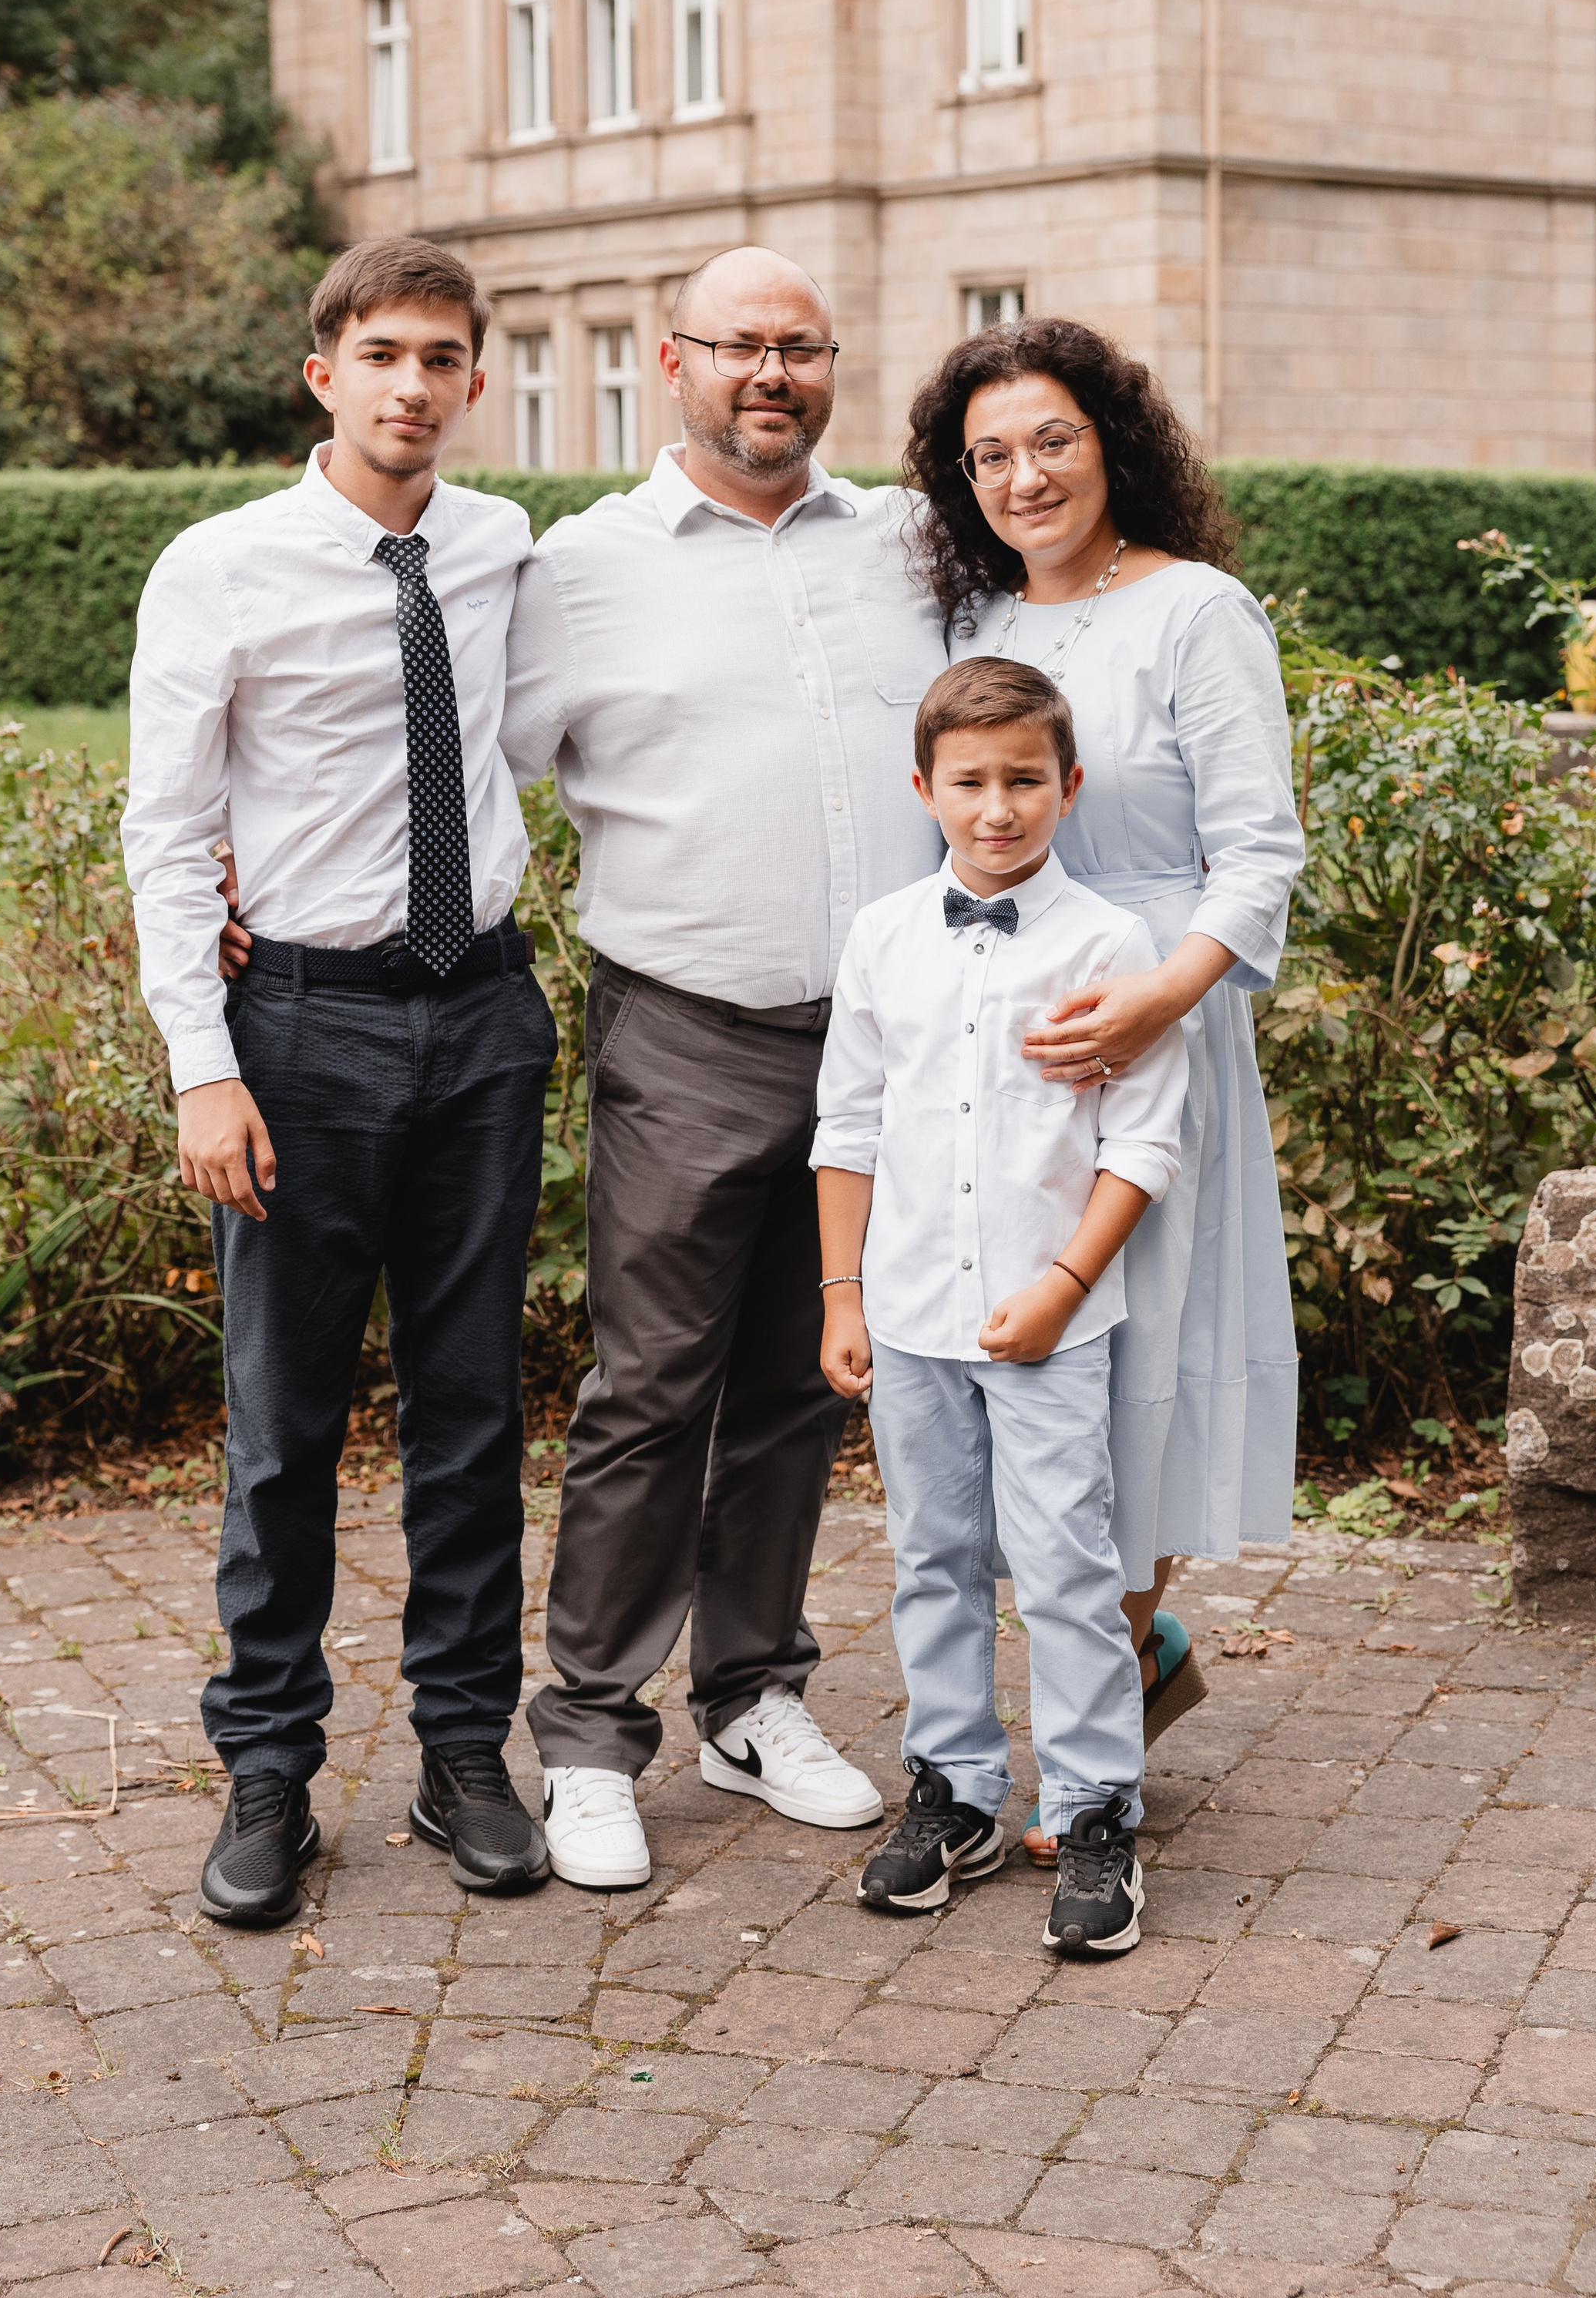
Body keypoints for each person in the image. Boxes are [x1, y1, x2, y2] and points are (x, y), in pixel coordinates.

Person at [499, 244, 949, 1890]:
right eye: (740, 346)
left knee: (791, 1385)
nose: (772, 373)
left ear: (834, 370)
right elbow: (479, 771)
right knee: (648, 1388)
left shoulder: (910, 539)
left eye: (803, 348)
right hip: (687, 1026)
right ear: (669, 360)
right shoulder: (579, 568)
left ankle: (751, 1697)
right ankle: (592, 1734)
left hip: (885, 1042)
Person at [123, 236, 559, 1928]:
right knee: (284, 1423)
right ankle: (269, 1774)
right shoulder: (220, 566)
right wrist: (202, 1070)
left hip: (481, 1019)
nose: (410, 385)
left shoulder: (504, 546)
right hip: (297, 1036)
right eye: (380, 353)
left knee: (469, 1416)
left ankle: (464, 1757)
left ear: (469, 380)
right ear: (323, 372)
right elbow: (166, 832)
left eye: (441, 358)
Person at [902, 317, 1305, 1862]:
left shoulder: (1195, 612)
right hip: (1002, 1051)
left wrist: (1155, 999)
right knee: (1014, 1363)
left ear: (1112, 443)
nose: (1022, 474)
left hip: (1156, 1027)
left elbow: (1256, 849)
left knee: (1132, 1373)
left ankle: (1114, 1699)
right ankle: (1126, 1665)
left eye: (1050, 439)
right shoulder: (971, 623)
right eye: (988, 452)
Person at [815, 656, 1187, 1955]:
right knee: (932, 1560)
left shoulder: (1112, 946)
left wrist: (1062, 1287)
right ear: (924, 789)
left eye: (1024, 780)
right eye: (969, 782)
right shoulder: (882, 936)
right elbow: (847, 1126)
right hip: (911, 1316)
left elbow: (1143, 1143)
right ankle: (957, 1788)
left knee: (1069, 1567)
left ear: (1068, 787)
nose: (997, 808)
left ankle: (1094, 1808)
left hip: (1048, 1317)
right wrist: (842, 1296)